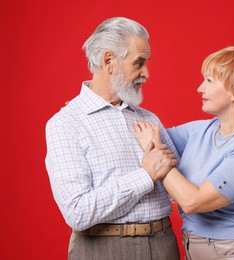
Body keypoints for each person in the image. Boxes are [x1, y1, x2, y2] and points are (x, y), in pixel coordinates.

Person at [45, 17, 180, 260]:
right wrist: (145, 175)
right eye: (139, 63)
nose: (146, 73)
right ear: (109, 61)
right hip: (102, 249)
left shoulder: (149, 118)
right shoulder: (65, 124)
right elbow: (78, 212)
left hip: (163, 244)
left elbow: (180, 190)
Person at [135, 46, 234, 259]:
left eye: (209, 81)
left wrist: (158, 159)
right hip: (194, 248)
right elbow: (142, 135)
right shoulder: (199, 130)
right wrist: (86, 115)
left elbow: (193, 202)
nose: (200, 88)